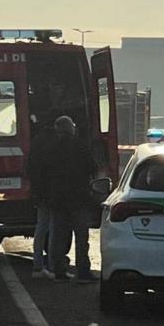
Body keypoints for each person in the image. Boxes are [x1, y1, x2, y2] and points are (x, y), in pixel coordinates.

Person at [40, 115, 98, 283]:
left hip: (58, 200)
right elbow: (93, 168)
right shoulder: (81, 146)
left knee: (59, 237)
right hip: (79, 198)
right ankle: (83, 272)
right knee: (81, 238)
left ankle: (59, 271)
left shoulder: (50, 149)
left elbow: (43, 174)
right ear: (71, 129)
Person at [26, 116, 56, 278]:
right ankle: (51, 265)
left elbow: (30, 168)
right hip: (52, 192)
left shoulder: (37, 141)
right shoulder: (54, 143)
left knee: (42, 227)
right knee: (53, 228)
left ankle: (38, 265)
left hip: (40, 192)